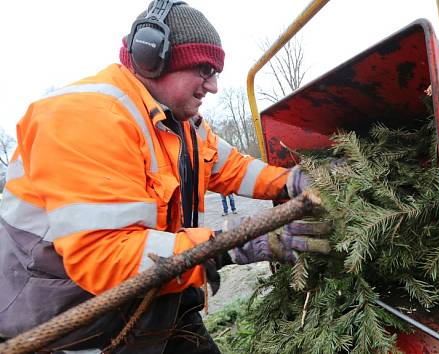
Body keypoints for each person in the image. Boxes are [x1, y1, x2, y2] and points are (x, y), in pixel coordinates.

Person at [0, 1, 328, 353]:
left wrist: (291, 181)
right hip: (81, 326)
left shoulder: (178, 124)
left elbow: (231, 166)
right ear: (151, 58)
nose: (213, 86)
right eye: (204, 69)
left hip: (159, 297)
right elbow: (108, 257)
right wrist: (230, 245)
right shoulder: (85, 116)